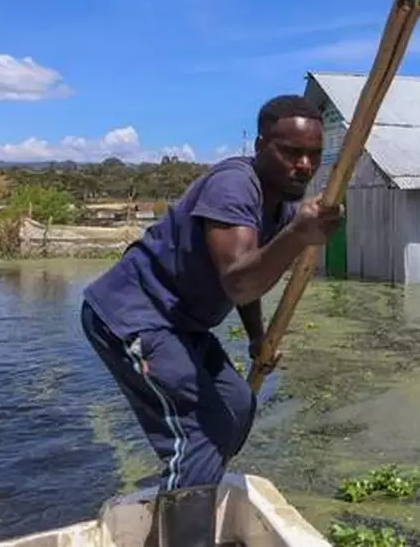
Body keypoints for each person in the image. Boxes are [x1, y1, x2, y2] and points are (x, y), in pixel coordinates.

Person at [79, 94, 342, 546]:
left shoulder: (281, 204)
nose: (303, 165)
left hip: (184, 324)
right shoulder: (234, 185)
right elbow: (239, 280)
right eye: (290, 153)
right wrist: (299, 233)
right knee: (200, 432)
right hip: (132, 315)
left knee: (237, 408)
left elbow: (250, 278)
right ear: (261, 145)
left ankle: (184, 503)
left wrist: (258, 339)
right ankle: (187, 526)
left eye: (313, 156)